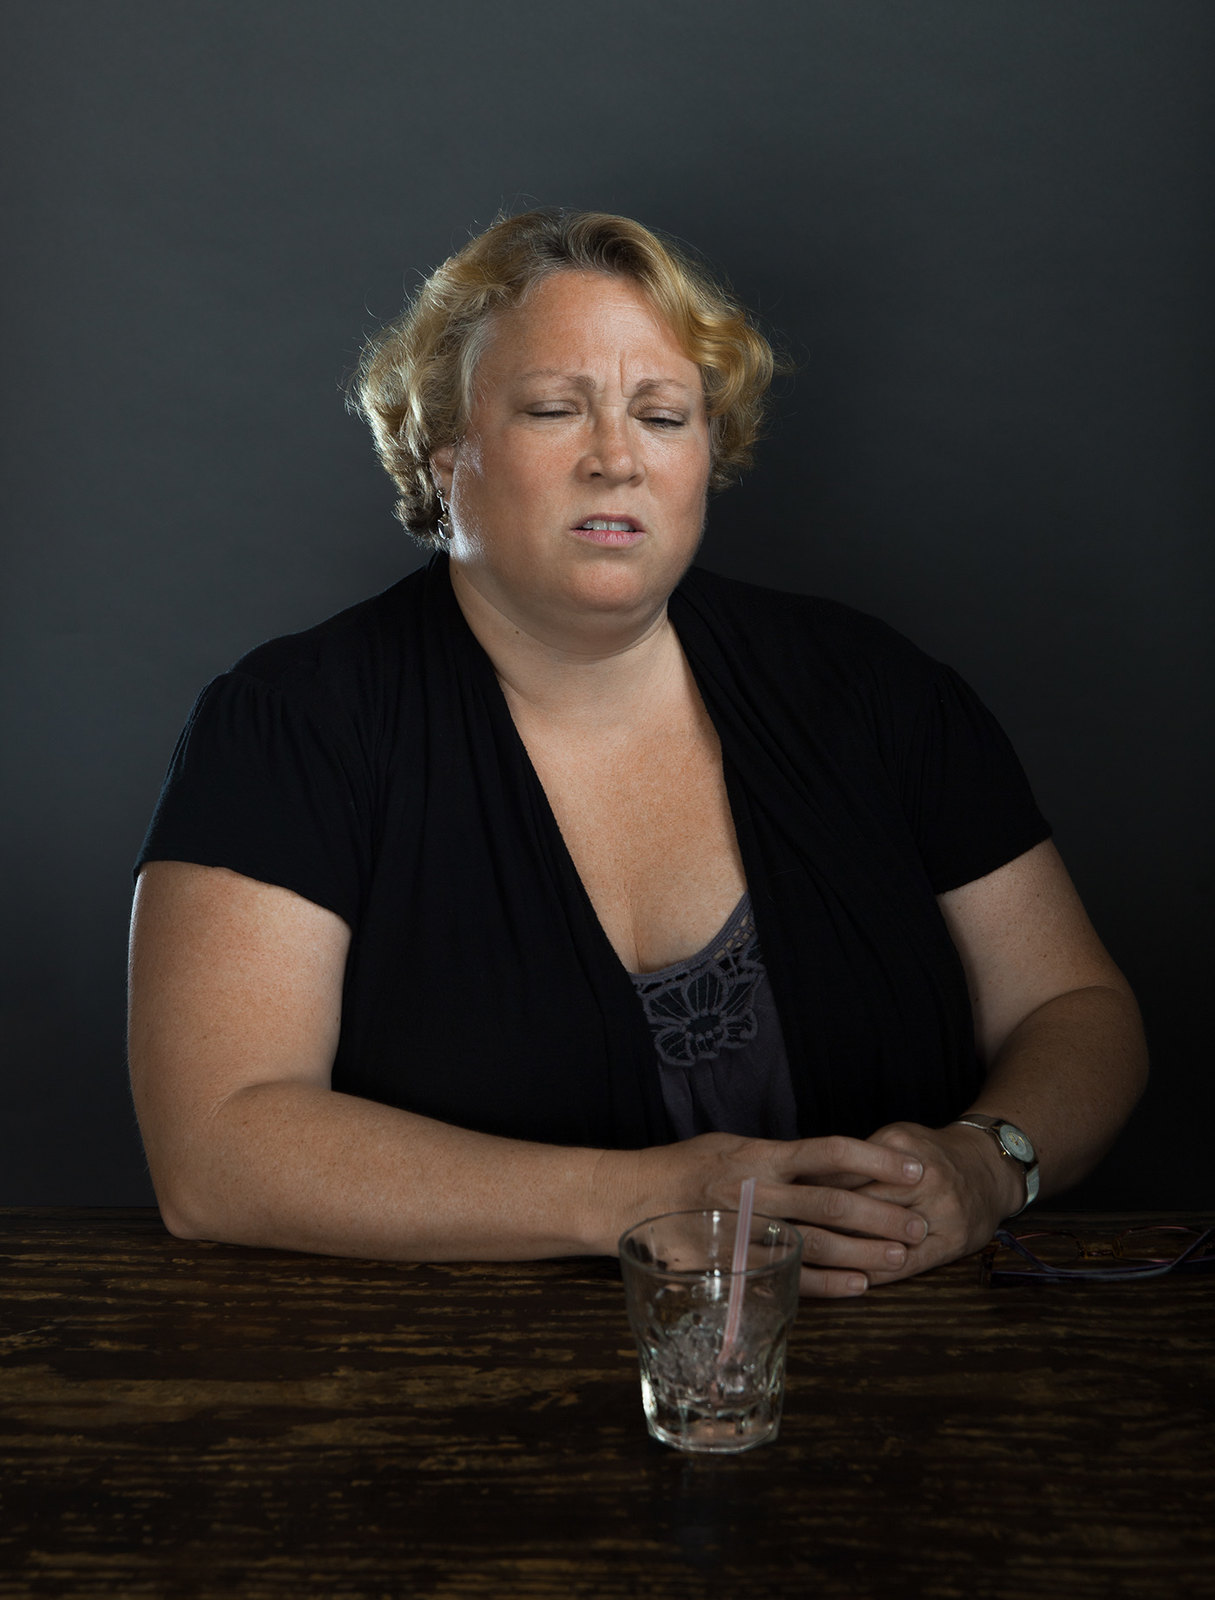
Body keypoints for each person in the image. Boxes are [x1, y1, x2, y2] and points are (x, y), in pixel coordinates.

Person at [128, 209, 1147, 1297]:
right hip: (438, 1394)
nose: (615, 458)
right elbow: (216, 1150)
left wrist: (989, 1165)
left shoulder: (873, 691)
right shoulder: (289, 727)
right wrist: (638, 1196)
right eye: (555, 409)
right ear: (443, 453)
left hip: (904, 1383)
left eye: (662, 415)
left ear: (709, 456)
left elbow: (1078, 1011)